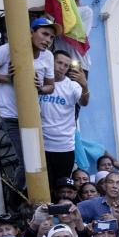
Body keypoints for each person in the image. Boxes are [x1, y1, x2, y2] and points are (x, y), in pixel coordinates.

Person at [0, 17, 57, 190]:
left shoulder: (48, 56)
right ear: (31, 32)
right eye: (44, 34)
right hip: (11, 117)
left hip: (34, 115)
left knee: (38, 159)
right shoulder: (8, 50)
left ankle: (32, 194)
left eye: (51, 37)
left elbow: (51, 86)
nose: (47, 40)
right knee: (26, 159)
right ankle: (16, 196)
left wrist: (41, 88)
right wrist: (7, 78)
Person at [40, 50, 90, 184]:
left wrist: (84, 85)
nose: (62, 67)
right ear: (52, 62)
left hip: (64, 146)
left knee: (62, 187)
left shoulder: (72, 86)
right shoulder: (40, 81)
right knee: (44, 185)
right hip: (41, 144)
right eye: (59, 63)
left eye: (66, 65)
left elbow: (84, 102)